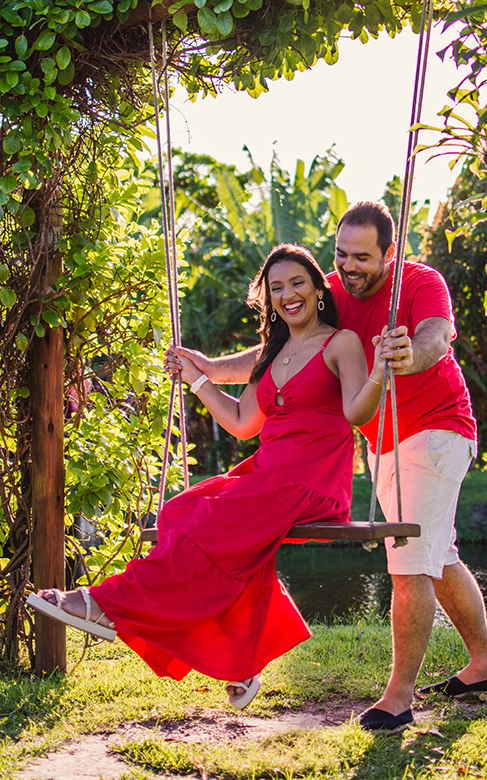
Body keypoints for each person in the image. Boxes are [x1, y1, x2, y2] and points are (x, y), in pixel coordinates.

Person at [171, 202, 487, 730]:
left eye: (362, 258)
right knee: (435, 551)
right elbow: (280, 351)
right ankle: (484, 666)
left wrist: (406, 355)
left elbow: (436, 338)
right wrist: (209, 368)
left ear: (390, 253)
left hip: (438, 429)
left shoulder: (419, 282)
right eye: (341, 255)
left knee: (411, 559)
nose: (348, 268)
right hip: (384, 440)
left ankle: (398, 698)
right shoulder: (330, 291)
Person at [27, 243, 391, 710]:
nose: (288, 294)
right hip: (266, 473)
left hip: (311, 482)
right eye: (276, 288)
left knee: (209, 525)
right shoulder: (275, 351)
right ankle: (242, 658)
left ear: (319, 289)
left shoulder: (339, 342)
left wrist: (379, 372)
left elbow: (356, 411)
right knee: (180, 511)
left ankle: (104, 603)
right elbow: (242, 422)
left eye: (297, 283)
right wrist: (198, 378)